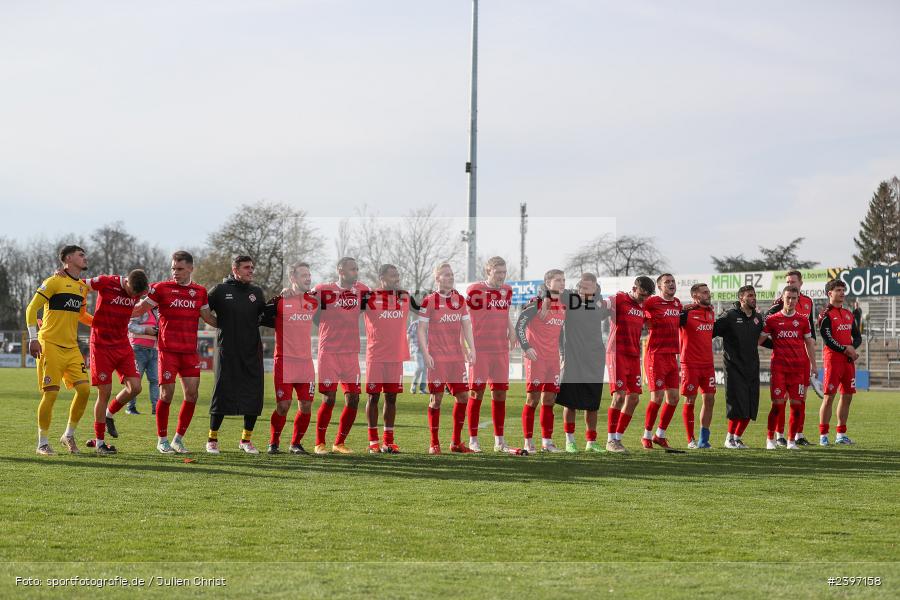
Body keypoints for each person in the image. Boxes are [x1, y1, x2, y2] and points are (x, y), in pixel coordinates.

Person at [132, 251, 217, 454]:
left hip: (189, 352)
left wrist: (236, 323)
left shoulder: (200, 291)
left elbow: (209, 318)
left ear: (190, 268)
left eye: (179, 269)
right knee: (166, 394)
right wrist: (116, 308)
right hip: (167, 350)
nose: (175, 272)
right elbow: (140, 309)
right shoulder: (162, 288)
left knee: (192, 395)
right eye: (173, 268)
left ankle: (178, 439)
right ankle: (162, 440)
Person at [25, 245, 93, 455]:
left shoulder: (82, 287)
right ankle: (42, 443)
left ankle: (68, 435)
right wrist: (33, 338)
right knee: (51, 394)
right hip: (50, 345)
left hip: (71, 347)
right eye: (81, 255)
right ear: (68, 258)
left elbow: (82, 315)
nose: (84, 258)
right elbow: (31, 308)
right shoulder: (53, 281)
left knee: (84, 390)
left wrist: (103, 323)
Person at [205, 255, 266, 454]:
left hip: (251, 352)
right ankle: (212, 439)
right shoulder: (220, 291)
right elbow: (203, 311)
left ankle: (246, 440)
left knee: (253, 395)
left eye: (252, 267)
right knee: (222, 393)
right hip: (227, 352)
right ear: (235, 269)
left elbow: (263, 317)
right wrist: (220, 325)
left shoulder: (257, 293)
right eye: (247, 267)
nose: (251, 271)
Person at [83, 271, 149, 454]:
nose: (133, 297)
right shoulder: (106, 282)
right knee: (104, 392)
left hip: (122, 345)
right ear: (126, 281)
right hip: (101, 346)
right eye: (131, 293)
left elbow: (151, 297)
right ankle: (99, 442)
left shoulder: (141, 290)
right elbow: (79, 284)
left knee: (135, 388)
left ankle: (109, 415)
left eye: (137, 295)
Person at [312, 257, 370, 454]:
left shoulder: (362, 290)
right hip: (328, 350)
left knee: (353, 398)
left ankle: (339, 443)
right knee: (329, 398)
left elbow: (370, 307)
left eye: (357, 269)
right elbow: (306, 307)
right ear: (341, 271)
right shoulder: (323, 290)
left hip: (351, 353)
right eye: (352, 269)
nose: (356, 272)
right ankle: (320, 443)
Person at [417, 263, 476, 454]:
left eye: (452, 274)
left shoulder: (460, 300)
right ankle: (434, 443)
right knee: (437, 399)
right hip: (437, 358)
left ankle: (456, 443)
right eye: (446, 275)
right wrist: (426, 354)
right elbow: (422, 329)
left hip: (456, 359)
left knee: (463, 397)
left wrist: (471, 348)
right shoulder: (429, 301)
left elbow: (466, 326)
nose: (450, 277)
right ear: (437, 279)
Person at [261, 261, 318, 455]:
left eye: (309, 275)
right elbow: (259, 316)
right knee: (283, 406)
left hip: (306, 363)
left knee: (306, 405)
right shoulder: (279, 301)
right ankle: (273, 442)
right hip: (284, 361)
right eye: (304, 275)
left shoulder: (314, 301)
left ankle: (295, 444)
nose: (308, 278)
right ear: (293, 278)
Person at [553, 273, 610, 453]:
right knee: (569, 402)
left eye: (586, 288)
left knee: (592, 403)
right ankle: (570, 441)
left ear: (594, 288)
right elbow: (548, 290)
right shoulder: (570, 299)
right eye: (580, 287)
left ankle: (591, 442)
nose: (581, 291)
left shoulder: (599, 303)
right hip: (573, 357)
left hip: (595, 358)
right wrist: (561, 353)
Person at [465, 257, 515, 452]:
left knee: (500, 393)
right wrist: (468, 347)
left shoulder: (507, 291)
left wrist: (511, 330)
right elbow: (465, 318)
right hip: (480, 349)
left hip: (500, 348)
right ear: (488, 271)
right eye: (498, 272)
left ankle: (499, 441)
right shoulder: (474, 290)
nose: (502, 276)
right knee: (476, 393)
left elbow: (506, 312)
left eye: (504, 272)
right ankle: (473, 439)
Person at [759, 286, 818, 451]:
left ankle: (791, 441)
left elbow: (809, 344)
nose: (791, 301)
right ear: (782, 298)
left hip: (798, 370)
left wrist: (813, 365)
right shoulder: (772, 319)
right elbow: (759, 340)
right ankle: (770, 438)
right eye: (788, 298)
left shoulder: (803, 320)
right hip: (779, 369)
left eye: (794, 298)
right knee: (777, 404)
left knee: (797, 405)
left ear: (798, 299)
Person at [515, 269, 566, 454]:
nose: (562, 283)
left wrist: (562, 353)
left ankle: (547, 442)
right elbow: (520, 324)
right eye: (558, 280)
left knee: (550, 400)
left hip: (553, 360)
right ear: (547, 283)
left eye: (563, 280)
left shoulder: (562, 305)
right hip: (536, 359)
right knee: (533, 399)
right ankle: (528, 441)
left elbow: (560, 333)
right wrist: (526, 347)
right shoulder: (537, 302)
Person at [361, 264, 411, 454]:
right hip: (376, 356)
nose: (396, 278)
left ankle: (388, 442)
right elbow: (345, 311)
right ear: (382, 277)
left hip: (396, 356)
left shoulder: (404, 297)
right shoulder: (370, 297)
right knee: (373, 397)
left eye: (397, 275)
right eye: (392, 276)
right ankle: (373, 441)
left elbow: (425, 309)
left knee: (391, 398)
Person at [605, 276, 654, 453]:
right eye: (641, 295)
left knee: (633, 398)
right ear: (634, 288)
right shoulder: (619, 298)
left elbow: (650, 321)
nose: (643, 299)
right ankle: (610, 440)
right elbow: (602, 305)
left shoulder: (643, 306)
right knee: (619, 396)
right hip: (616, 353)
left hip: (634, 355)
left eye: (646, 296)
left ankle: (617, 438)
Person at [713, 285, 764, 449]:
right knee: (737, 405)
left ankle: (737, 437)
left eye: (754, 295)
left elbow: (765, 340)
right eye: (750, 295)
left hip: (752, 367)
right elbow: (710, 331)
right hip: (734, 368)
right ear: (741, 298)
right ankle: (729, 439)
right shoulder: (729, 316)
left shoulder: (757, 318)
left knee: (751, 405)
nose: (753, 298)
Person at [817, 279, 862, 446]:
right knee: (829, 398)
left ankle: (841, 434)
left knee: (847, 396)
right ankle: (823, 436)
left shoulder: (849, 314)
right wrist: (846, 349)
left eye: (843, 289)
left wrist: (851, 347)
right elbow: (828, 340)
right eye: (838, 290)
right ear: (830, 293)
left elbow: (857, 337)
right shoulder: (825, 315)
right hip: (833, 361)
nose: (842, 293)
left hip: (848, 361)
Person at [640, 274, 682, 449]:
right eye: (667, 282)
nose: (671, 284)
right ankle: (646, 435)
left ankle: (660, 435)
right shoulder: (651, 302)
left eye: (672, 282)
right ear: (659, 287)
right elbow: (639, 312)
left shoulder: (677, 303)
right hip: (656, 356)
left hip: (672, 356)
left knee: (673, 398)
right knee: (656, 397)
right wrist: (647, 322)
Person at [679, 283, 716, 449]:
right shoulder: (686, 313)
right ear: (696, 296)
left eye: (708, 292)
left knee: (710, 399)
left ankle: (703, 439)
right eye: (705, 292)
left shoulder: (711, 313)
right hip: (690, 363)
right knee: (690, 400)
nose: (708, 294)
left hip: (708, 364)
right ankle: (690, 440)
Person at [126, 306, 159, 415]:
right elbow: (130, 326)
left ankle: (156, 409)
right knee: (135, 380)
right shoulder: (141, 307)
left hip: (154, 350)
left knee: (155, 380)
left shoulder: (158, 310)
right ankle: (130, 408)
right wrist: (145, 330)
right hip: (138, 349)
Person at [407, 317, 427, 394]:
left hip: (426, 350)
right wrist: (407, 348)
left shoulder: (429, 323)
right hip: (416, 349)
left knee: (425, 369)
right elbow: (408, 336)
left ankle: (422, 389)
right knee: (420, 367)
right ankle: (414, 385)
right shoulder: (415, 324)